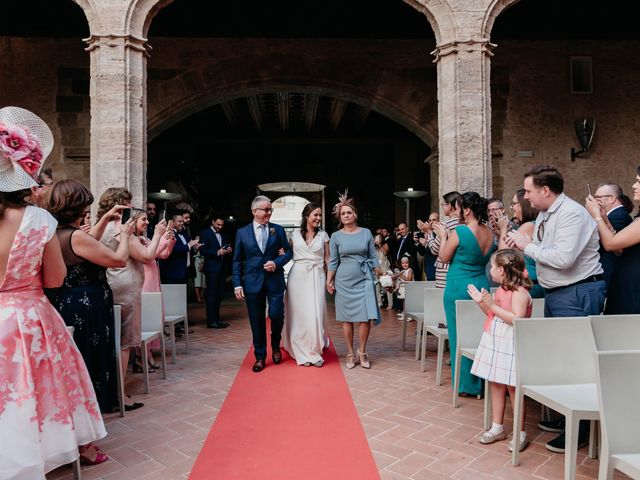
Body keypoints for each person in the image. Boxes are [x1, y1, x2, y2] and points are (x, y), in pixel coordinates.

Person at [0, 106, 106, 476]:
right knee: (38, 386)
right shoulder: (38, 220)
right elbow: (56, 280)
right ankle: (42, 453)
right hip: (28, 315)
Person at [507, 165, 605, 453]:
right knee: (563, 359)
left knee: (578, 361)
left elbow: (563, 259)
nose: (525, 196)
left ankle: (582, 430)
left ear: (545, 190)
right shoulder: (545, 215)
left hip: (578, 292)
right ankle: (568, 419)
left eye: (528, 191)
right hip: (558, 293)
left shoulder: (572, 214)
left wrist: (527, 246)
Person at [46, 180, 134, 416]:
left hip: (69, 301)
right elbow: (118, 260)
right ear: (78, 207)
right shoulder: (76, 236)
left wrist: (105, 218)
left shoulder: (57, 233)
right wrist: (125, 235)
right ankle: (93, 407)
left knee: (80, 354)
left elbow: (88, 243)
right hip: (89, 304)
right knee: (92, 355)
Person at [98, 189, 165, 410]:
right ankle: (120, 394)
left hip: (112, 285)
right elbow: (146, 257)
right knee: (125, 342)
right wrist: (157, 235)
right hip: (126, 290)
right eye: (128, 204)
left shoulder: (104, 226)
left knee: (115, 341)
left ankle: (111, 391)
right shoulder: (120, 228)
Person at [469, 249, 533, 452]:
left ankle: (520, 431)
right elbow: (493, 314)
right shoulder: (501, 290)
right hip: (496, 339)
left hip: (512, 343)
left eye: (494, 267)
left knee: (514, 387)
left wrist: (492, 306)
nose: (491, 270)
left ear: (503, 270)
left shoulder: (520, 293)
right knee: (496, 382)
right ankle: (497, 426)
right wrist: (482, 303)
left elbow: (517, 318)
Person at [434, 191, 496, 397]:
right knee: (480, 334)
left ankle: (465, 385)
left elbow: (443, 257)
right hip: (481, 285)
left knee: (459, 335)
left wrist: (443, 236)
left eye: (459, 207)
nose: (457, 211)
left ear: (467, 210)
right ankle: (481, 383)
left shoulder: (460, 231)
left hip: (458, 286)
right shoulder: (490, 233)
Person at [232, 195, 292, 372]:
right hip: (252, 282)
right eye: (266, 210)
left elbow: (288, 253)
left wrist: (276, 263)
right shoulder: (242, 232)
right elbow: (237, 260)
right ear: (254, 211)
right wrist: (237, 284)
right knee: (256, 320)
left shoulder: (278, 230)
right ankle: (260, 356)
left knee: (276, 315)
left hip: (274, 281)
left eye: (270, 209)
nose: (269, 213)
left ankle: (275, 345)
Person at [327, 192, 381, 369]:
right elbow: (333, 261)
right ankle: (350, 352)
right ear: (339, 217)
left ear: (355, 214)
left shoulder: (366, 233)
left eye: (349, 212)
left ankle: (362, 351)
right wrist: (329, 280)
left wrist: (381, 274)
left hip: (364, 278)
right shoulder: (335, 236)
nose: (346, 216)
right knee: (347, 319)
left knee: (365, 318)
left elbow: (373, 257)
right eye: (343, 213)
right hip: (344, 281)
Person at [585, 167, 640, 315]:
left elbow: (610, 244)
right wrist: (605, 220)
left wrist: (596, 216)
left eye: (638, 181)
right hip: (626, 285)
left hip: (634, 289)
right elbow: (619, 249)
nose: (634, 186)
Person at [282, 202, 330, 367]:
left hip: (317, 275)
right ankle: (299, 347)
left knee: (315, 312)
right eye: (315, 215)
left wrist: (330, 279)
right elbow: (286, 254)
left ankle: (314, 349)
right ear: (306, 216)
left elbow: (327, 259)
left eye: (319, 215)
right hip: (298, 277)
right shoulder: (294, 235)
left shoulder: (324, 236)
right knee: (299, 314)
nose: (318, 218)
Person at [496, 189, 544, 298]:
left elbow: (503, 255)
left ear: (524, 205)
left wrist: (503, 228)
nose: (511, 207)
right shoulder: (536, 224)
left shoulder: (528, 226)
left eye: (514, 204)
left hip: (531, 284)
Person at [591, 183, 632, 289]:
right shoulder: (610, 216)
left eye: (598, 197)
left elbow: (610, 245)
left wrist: (596, 217)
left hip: (612, 274)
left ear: (612, 198)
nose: (595, 201)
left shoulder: (619, 216)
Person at [418, 191, 461, 288]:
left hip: (445, 271)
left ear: (449, 206)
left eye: (443, 204)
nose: (442, 207)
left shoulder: (446, 225)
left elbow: (434, 250)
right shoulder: (464, 224)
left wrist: (429, 232)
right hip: (459, 269)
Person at [200, 213, 233, 328]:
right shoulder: (205, 233)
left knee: (219, 295)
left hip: (222, 268)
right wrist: (217, 252)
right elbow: (203, 251)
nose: (220, 227)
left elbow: (226, 246)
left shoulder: (223, 234)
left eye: (222, 225)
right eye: (218, 224)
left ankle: (217, 319)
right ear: (213, 222)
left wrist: (228, 249)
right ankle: (211, 321)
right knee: (211, 294)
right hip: (211, 269)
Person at [416, 211, 439, 281]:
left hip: (436, 266)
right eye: (430, 220)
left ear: (439, 221)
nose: (431, 222)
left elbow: (436, 250)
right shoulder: (426, 233)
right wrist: (417, 243)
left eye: (434, 220)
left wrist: (426, 244)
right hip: (428, 266)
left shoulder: (440, 233)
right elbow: (422, 252)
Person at [394, 255, 414, 321]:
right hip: (403, 288)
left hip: (408, 288)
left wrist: (400, 275)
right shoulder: (402, 271)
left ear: (409, 263)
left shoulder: (410, 270)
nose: (405, 264)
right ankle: (404, 313)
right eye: (403, 263)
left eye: (406, 263)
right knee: (404, 302)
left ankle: (409, 315)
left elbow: (408, 279)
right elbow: (398, 278)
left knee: (408, 302)